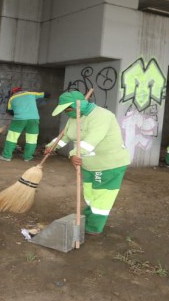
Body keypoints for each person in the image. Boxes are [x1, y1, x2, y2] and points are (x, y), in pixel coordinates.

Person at [43, 90, 130, 235]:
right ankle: (88, 217)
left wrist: (72, 154)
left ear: (78, 105)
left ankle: (93, 227)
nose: (66, 112)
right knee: (90, 194)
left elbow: (91, 141)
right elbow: (64, 136)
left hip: (108, 164)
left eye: (67, 109)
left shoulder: (103, 116)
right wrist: (52, 146)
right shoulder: (74, 118)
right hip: (89, 164)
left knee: (102, 197)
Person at [0, 87, 49, 162]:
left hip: (19, 119)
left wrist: (18, 111)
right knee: (32, 139)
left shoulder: (12, 98)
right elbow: (47, 94)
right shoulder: (31, 94)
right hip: (33, 119)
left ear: (13, 92)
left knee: (12, 138)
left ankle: (7, 156)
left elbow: (9, 111)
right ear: (22, 90)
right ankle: (28, 157)